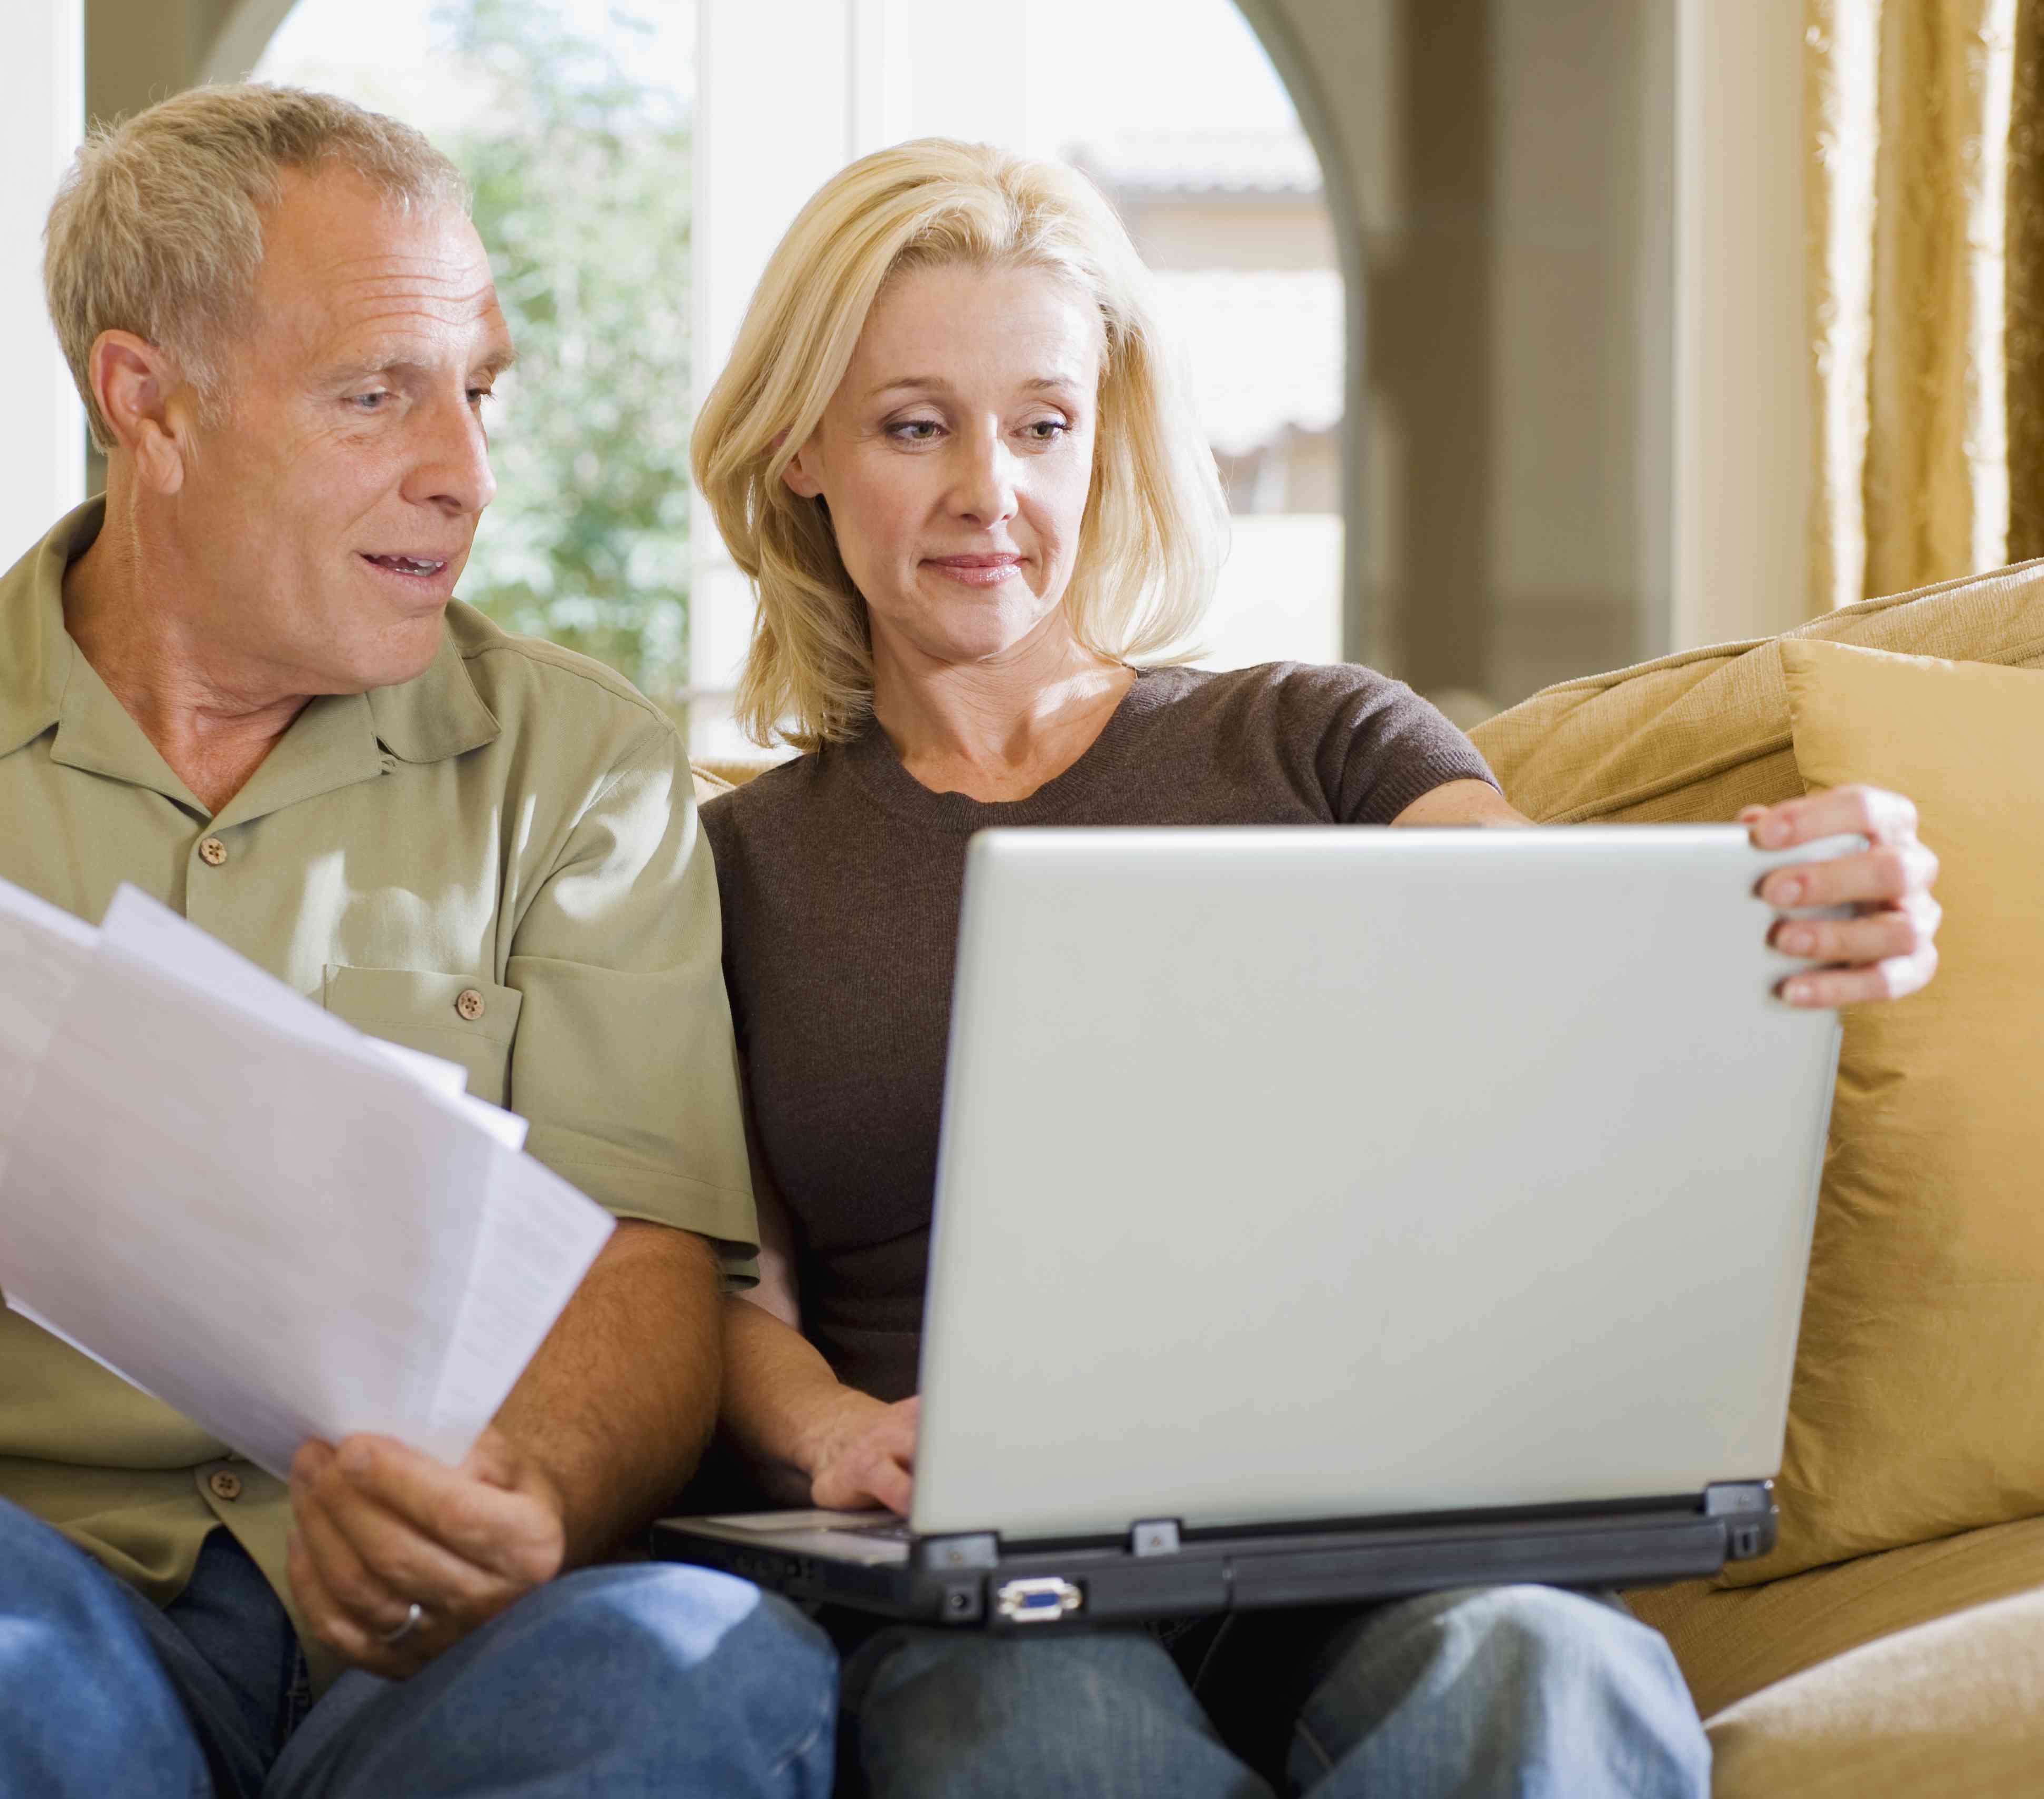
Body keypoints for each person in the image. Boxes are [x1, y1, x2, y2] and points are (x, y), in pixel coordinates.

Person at [0, 84, 833, 1799]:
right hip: (18, 1589)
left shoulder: (582, 765)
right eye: (378, 393)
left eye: (479, 389)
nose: (464, 472)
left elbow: (651, 1263)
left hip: (436, 1651)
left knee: (700, 1663)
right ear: (147, 401)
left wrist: (520, 1495)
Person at [690, 138, 1941, 1799]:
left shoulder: (1312, 734)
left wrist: (1796, 905)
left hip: (1384, 1535)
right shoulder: (740, 869)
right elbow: (727, 1296)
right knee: (1042, 1744)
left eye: (1045, 425)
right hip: (996, 1582)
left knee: (1546, 1675)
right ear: (803, 454)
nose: (993, 487)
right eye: (919, 426)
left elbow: (1549, 947)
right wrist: (840, 1434)